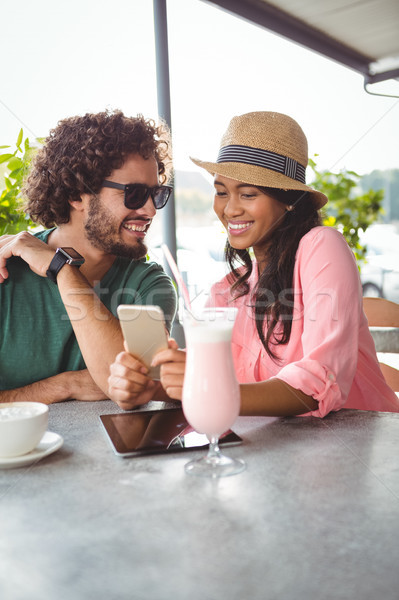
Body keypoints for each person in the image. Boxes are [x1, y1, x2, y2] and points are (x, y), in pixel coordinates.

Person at [108, 111, 399, 417]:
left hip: (365, 445)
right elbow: (210, 374)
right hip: (280, 453)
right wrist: (150, 386)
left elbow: (318, 381)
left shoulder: (322, 247)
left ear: (289, 199)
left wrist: (210, 388)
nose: (230, 209)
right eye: (221, 192)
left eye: (247, 193)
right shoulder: (230, 290)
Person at [0, 109, 177, 404]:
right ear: (77, 195)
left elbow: (131, 390)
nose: (150, 211)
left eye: (155, 195)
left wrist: (62, 269)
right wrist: (63, 386)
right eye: (134, 194)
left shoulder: (150, 285)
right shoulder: (6, 269)